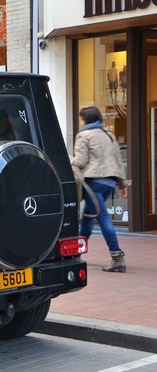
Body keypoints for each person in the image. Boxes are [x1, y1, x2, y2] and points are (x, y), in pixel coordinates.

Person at [71, 106, 129, 272]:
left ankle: (116, 256)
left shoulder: (83, 135)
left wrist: (70, 161)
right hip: (109, 183)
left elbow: (80, 161)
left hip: (93, 183)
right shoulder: (109, 136)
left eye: (82, 118)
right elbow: (118, 161)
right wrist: (122, 185)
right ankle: (77, 253)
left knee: (102, 217)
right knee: (88, 217)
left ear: (85, 120)